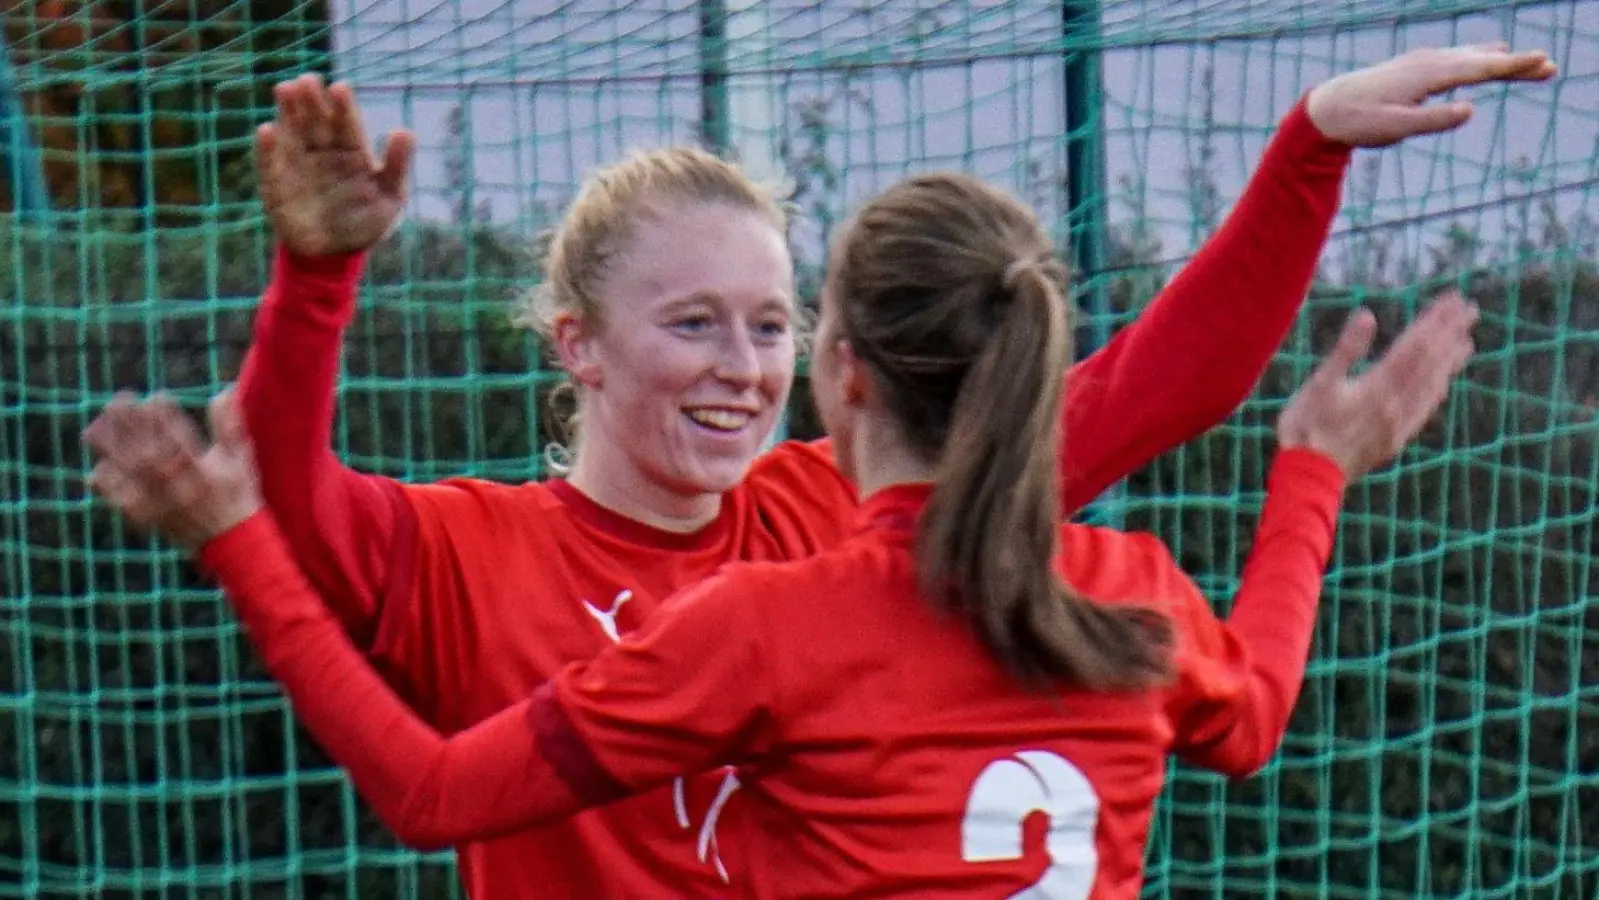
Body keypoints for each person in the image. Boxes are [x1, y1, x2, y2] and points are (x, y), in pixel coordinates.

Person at [101, 43, 1555, 899]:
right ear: (578, 349)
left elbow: (1161, 383)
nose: (741, 363)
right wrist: (314, 279)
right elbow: (289, 504)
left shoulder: (857, 517)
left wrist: (1303, 151)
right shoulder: (468, 550)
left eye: (769, 323)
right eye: (690, 324)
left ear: (832, 357)